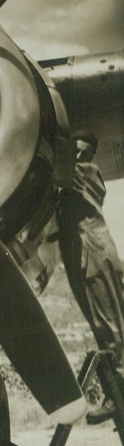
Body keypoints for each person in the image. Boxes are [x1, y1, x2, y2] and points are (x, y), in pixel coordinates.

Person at [57, 129, 124, 424]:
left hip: (94, 251)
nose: (79, 156)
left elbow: (62, 178)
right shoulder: (69, 177)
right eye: (76, 151)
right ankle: (115, 395)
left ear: (91, 155)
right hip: (82, 254)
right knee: (100, 324)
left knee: (111, 322)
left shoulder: (86, 172)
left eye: (83, 151)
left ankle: (117, 395)